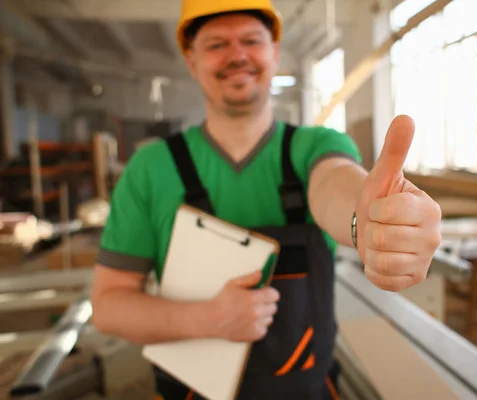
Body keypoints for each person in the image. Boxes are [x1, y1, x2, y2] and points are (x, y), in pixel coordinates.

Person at [90, 0, 442, 399]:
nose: (237, 55)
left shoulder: (315, 147)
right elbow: (108, 305)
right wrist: (207, 319)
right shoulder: (150, 168)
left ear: (274, 52)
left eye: (251, 40)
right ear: (191, 61)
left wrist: (366, 218)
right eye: (217, 44)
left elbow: (334, 183)